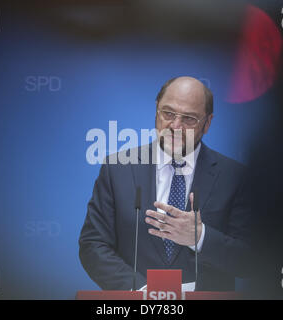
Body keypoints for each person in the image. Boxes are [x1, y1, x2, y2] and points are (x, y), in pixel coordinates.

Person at [79, 76, 252, 291]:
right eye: (168, 113)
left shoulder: (235, 177)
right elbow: (93, 245)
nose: (175, 126)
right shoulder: (117, 169)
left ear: (207, 123)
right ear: (156, 110)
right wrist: (142, 292)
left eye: (189, 118)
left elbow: (250, 260)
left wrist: (200, 237)